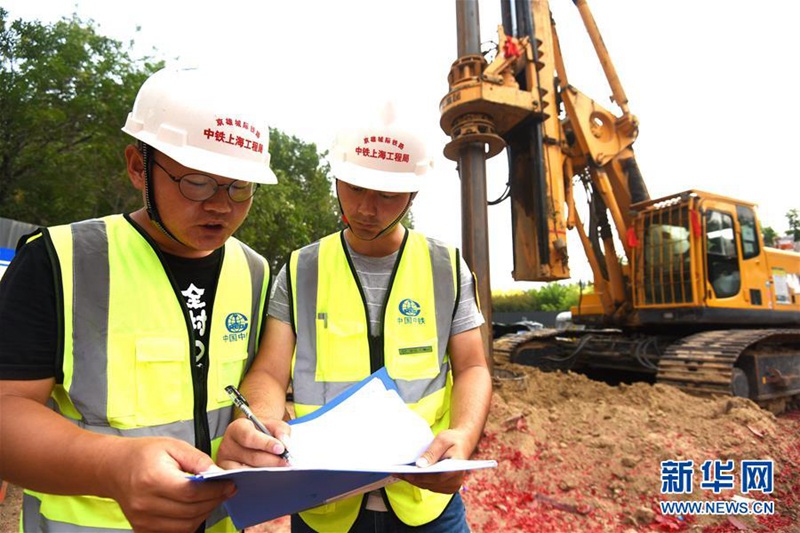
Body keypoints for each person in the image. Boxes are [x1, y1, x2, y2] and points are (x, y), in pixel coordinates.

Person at [0, 67, 278, 532]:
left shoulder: (254, 270)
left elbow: (249, 380)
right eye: (197, 181)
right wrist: (114, 466)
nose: (220, 205)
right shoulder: (60, 260)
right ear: (137, 166)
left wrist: (255, 428)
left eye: (240, 187)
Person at [216, 105, 493, 532]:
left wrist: (463, 435)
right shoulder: (300, 269)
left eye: (386, 196)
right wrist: (267, 419)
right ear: (337, 180)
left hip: (424, 501)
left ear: (413, 195)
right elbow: (269, 371)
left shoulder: (446, 267)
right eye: (355, 188)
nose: (366, 208)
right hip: (325, 503)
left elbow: (473, 365)